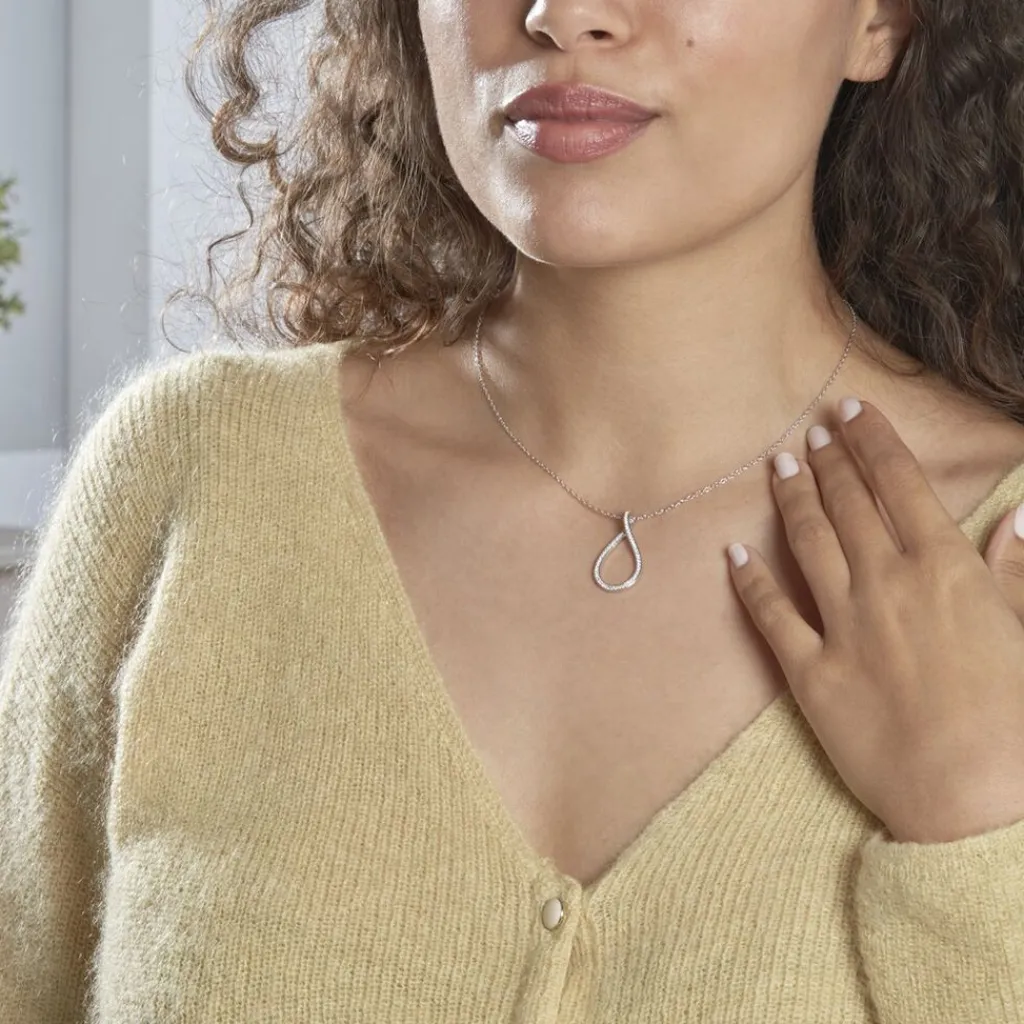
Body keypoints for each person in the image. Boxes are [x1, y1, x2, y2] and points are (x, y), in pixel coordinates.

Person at [3, 0, 1024, 1020]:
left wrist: (981, 819)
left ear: (880, 21)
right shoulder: (195, 479)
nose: (563, 14)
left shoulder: (1003, 555)